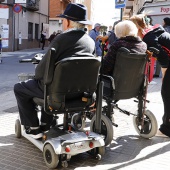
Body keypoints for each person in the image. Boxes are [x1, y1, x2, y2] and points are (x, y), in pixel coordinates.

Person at [13, 3, 95, 139]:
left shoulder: (61, 40)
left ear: (68, 22)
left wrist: (38, 73)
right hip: (80, 94)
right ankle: (46, 123)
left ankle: (33, 128)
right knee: (50, 83)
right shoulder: (90, 42)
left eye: (64, 20)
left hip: (57, 94)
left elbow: (41, 71)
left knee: (20, 88)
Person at [130, 14, 170, 137]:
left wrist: (164, 72)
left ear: (137, 28)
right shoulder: (155, 32)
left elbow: (163, 57)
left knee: (167, 94)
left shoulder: (149, 38)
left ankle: (166, 130)